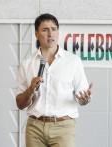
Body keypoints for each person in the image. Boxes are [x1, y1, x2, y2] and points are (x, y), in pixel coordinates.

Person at [16, 13, 92, 147]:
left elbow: (83, 99)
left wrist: (85, 99)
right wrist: (30, 90)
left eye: (54, 29)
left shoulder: (73, 62)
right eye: (45, 30)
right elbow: (20, 104)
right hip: (35, 128)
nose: (50, 34)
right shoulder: (27, 63)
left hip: (63, 128)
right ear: (36, 34)